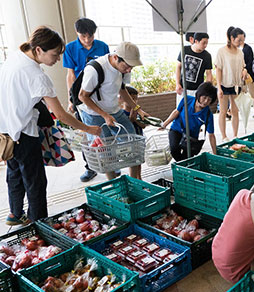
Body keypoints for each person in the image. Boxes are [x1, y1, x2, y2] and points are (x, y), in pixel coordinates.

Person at [0, 26, 101, 225]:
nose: (57, 60)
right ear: (38, 50)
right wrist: (88, 129)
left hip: (5, 130)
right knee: (36, 182)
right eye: (54, 55)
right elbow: (61, 114)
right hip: (23, 134)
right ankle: (39, 225)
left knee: (14, 172)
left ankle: (14, 213)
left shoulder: (13, 58)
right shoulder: (37, 76)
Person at [77, 41, 147, 180]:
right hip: (93, 114)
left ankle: (135, 181)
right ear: (116, 57)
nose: (129, 70)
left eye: (131, 67)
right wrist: (104, 115)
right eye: (127, 66)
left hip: (114, 110)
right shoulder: (95, 69)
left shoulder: (124, 70)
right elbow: (82, 96)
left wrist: (138, 109)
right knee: (105, 150)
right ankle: (115, 184)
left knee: (132, 143)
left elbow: (123, 90)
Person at [63, 17, 109, 182]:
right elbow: (70, 75)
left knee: (104, 129)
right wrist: (71, 99)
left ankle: (109, 164)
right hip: (80, 95)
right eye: (83, 36)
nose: (87, 40)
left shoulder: (102, 46)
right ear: (77, 33)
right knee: (86, 130)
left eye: (90, 36)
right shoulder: (70, 48)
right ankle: (90, 167)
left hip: (99, 94)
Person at [160, 82, 217, 162]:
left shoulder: (208, 114)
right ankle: (184, 166)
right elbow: (176, 112)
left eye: (209, 100)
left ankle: (184, 168)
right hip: (177, 129)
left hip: (191, 137)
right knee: (174, 149)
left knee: (188, 156)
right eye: (204, 98)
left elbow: (211, 135)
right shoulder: (187, 99)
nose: (206, 101)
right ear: (199, 95)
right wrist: (164, 124)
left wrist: (215, 153)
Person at [215, 27, 247, 141]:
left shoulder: (240, 52)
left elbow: (243, 66)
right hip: (224, 84)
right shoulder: (222, 51)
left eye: (242, 40)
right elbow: (218, 70)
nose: (241, 43)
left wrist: (244, 71)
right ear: (232, 38)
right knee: (223, 111)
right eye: (239, 40)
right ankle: (224, 136)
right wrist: (219, 88)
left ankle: (235, 135)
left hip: (236, 84)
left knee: (235, 111)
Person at [175, 32, 213, 105]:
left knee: (194, 110)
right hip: (183, 88)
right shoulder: (185, 50)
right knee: (181, 110)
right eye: (203, 43)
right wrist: (177, 83)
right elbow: (178, 67)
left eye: (207, 43)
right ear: (196, 41)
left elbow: (209, 73)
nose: (205, 46)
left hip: (197, 90)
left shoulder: (207, 56)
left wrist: (206, 89)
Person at [118, 86, 145, 180]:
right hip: (129, 141)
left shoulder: (138, 111)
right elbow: (122, 129)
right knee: (133, 161)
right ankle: (133, 179)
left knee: (139, 160)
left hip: (139, 138)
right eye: (131, 99)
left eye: (135, 99)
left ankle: (139, 177)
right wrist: (130, 120)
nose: (134, 101)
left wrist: (136, 120)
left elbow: (143, 125)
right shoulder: (121, 113)